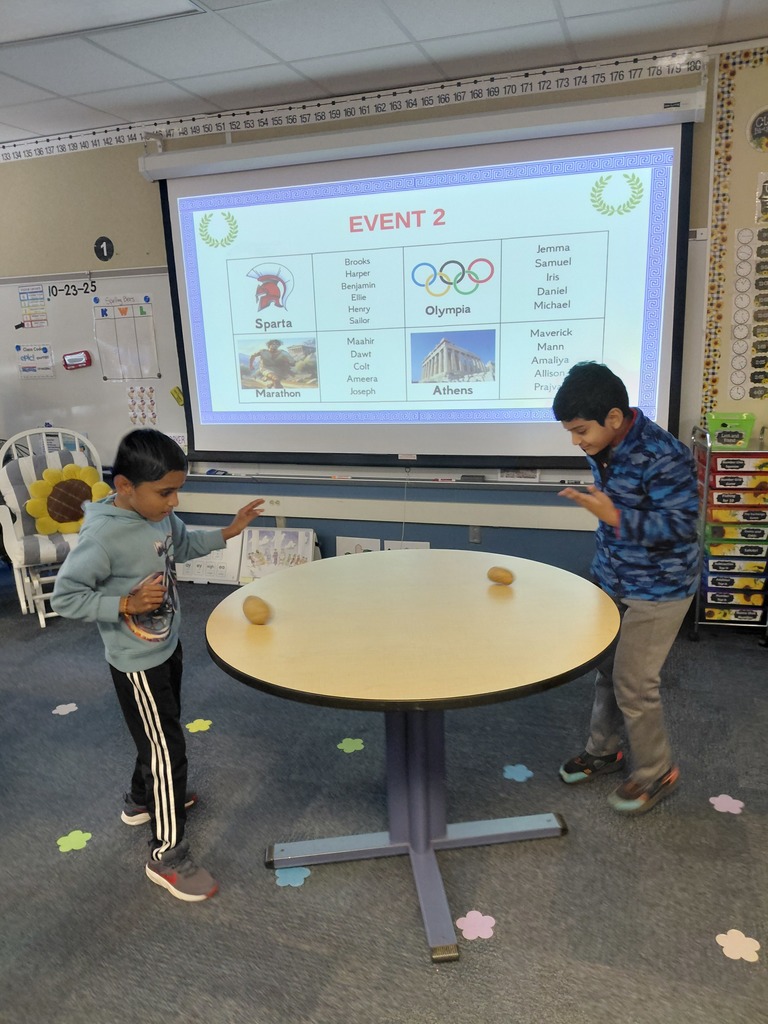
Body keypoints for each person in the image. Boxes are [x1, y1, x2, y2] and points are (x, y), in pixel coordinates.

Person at [51, 429, 265, 900]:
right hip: (135, 660)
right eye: (165, 492)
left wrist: (228, 532)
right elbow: (66, 596)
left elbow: (182, 546)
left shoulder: (159, 516)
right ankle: (167, 854)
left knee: (156, 731)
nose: (173, 501)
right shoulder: (104, 536)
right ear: (125, 486)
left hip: (166, 645)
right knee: (167, 747)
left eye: (177, 490)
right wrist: (124, 603)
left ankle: (141, 799)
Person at [551, 362, 699, 814]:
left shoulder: (664, 455)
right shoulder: (606, 445)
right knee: (607, 674)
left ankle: (657, 772)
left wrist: (615, 517)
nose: (576, 442)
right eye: (570, 432)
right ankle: (605, 750)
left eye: (580, 431)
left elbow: (682, 526)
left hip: (660, 588)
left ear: (614, 417)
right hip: (613, 578)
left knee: (635, 684)